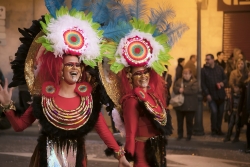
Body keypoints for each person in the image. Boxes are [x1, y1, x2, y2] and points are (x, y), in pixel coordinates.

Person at [0, 1, 130, 167]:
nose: (75, 68)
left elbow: (103, 130)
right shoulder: (44, 99)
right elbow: (19, 126)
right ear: (60, 69)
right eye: (69, 64)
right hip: (46, 159)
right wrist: (7, 106)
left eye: (77, 65)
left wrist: (120, 156)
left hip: (76, 160)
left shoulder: (88, 101)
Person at [201, 54, 227, 136]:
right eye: (206, 59)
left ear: (213, 60)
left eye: (208, 59)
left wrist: (223, 83)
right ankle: (214, 129)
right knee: (214, 112)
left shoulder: (220, 68)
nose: (207, 61)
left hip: (221, 94)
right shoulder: (204, 70)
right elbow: (203, 83)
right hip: (211, 95)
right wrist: (207, 94)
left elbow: (226, 78)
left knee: (220, 113)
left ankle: (219, 129)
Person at [173, 68, 198, 141]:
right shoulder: (179, 81)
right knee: (179, 121)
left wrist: (183, 90)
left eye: (187, 74)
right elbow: (174, 88)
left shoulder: (194, 81)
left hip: (190, 106)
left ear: (190, 74)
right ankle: (180, 134)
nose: (185, 75)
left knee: (189, 122)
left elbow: (194, 90)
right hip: (179, 105)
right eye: (184, 74)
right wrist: (178, 89)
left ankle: (189, 135)